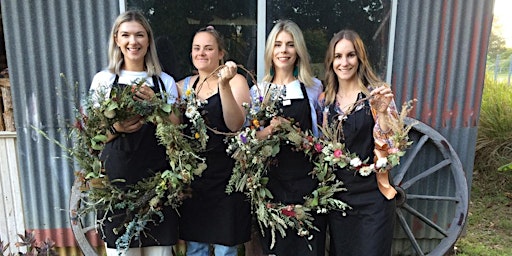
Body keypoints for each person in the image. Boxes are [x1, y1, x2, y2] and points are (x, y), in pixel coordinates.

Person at [89, 10, 179, 256]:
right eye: (126, 35)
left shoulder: (164, 82)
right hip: (116, 188)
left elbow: (176, 132)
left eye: (139, 35)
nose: (133, 42)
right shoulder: (103, 81)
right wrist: (115, 128)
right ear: (117, 39)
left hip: (157, 189)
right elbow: (92, 137)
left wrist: (157, 105)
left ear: (148, 40)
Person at [319, 29, 398, 256]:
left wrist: (382, 113)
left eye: (350, 55)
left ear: (360, 58)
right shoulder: (327, 102)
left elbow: (391, 146)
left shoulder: (375, 96)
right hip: (340, 197)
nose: (344, 62)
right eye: (338, 56)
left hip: (374, 197)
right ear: (331, 61)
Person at [251, 20, 325, 256]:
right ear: (270, 50)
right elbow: (250, 139)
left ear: (298, 51)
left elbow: (321, 136)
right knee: (277, 247)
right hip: (272, 185)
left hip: (307, 181)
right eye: (278, 44)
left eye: (290, 45)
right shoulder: (259, 91)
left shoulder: (313, 87)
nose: (283, 50)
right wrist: (270, 130)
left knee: (308, 246)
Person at [177, 26, 252, 256]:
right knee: (195, 248)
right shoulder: (181, 88)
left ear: (221, 53)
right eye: (196, 48)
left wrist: (223, 85)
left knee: (225, 250)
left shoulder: (236, 81)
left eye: (208, 48)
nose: (202, 53)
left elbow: (235, 125)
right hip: (195, 182)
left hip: (227, 180)